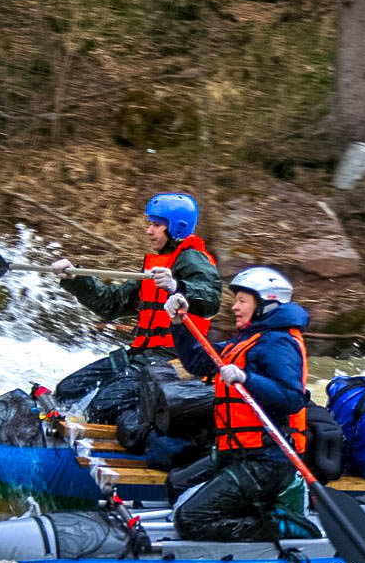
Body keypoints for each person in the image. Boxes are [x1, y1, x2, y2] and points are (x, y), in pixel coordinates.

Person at [161, 267, 319, 542]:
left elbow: (292, 399)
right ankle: (243, 510)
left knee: (191, 519)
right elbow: (198, 362)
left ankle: (276, 524)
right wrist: (179, 325)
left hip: (268, 462)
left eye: (242, 301)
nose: (234, 307)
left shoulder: (278, 343)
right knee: (176, 483)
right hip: (238, 452)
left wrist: (247, 378)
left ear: (266, 304)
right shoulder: (246, 340)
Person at [48, 193, 221, 420]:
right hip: (141, 353)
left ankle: (105, 436)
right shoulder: (155, 265)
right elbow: (111, 303)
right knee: (67, 390)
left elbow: (211, 301)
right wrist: (75, 279)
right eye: (149, 224)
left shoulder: (194, 260)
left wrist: (178, 287)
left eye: (157, 225)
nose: (149, 231)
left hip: (170, 359)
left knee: (103, 406)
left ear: (177, 228)